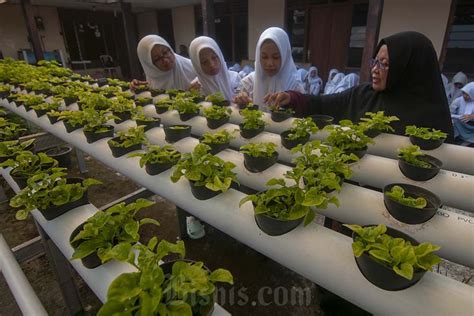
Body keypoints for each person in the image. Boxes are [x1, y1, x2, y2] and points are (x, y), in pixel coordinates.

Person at [264, 31, 454, 140]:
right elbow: (322, 104)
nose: (375, 70)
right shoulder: (363, 95)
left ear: (409, 68)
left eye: (385, 64)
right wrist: (292, 97)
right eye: (375, 62)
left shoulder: (431, 117)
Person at [233, 27, 305, 111]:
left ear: (285, 56)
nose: (269, 63)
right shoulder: (249, 83)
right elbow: (236, 112)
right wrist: (241, 103)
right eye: (264, 57)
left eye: (275, 57)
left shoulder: (295, 86)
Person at [131, 35, 196, 91]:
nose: (165, 60)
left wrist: (200, 80)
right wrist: (141, 90)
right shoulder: (153, 76)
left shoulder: (193, 67)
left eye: (165, 52)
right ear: (150, 65)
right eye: (157, 59)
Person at [189, 36, 241, 101]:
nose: (211, 65)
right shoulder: (197, 87)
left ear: (219, 56)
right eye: (204, 62)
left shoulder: (234, 78)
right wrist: (192, 96)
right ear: (197, 65)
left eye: (214, 57)